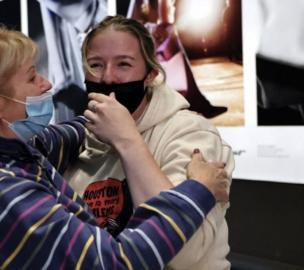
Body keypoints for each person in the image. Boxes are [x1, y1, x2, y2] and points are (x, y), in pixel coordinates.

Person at [0, 26, 229, 269]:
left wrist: (111, 123)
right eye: (31, 78)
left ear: (150, 74)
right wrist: (198, 189)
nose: (47, 84)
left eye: (123, 64)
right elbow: (117, 263)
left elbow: (59, 138)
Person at [65, 15, 234, 269]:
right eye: (96, 65)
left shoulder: (191, 133)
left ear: (150, 74)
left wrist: (126, 140)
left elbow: (180, 253)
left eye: (123, 64)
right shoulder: (77, 141)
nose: (108, 78)